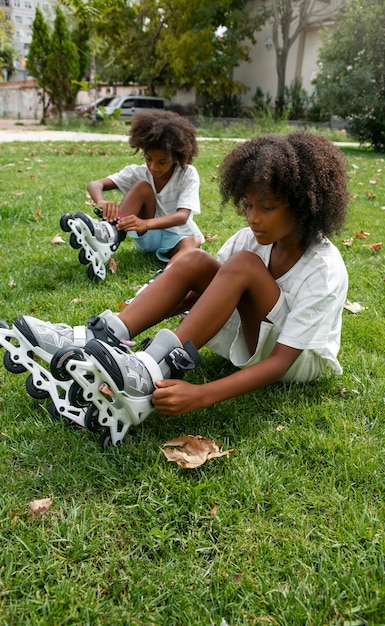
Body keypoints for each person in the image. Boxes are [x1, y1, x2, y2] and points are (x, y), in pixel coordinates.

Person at [13, 132, 349, 418]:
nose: (252, 218)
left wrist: (202, 395)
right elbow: (205, 293)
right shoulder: (249, 239)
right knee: (196, 262)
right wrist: (142, 311)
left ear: (305, 205)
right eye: (247, 205)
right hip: (257, 333)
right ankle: (98, 335)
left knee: (243, 264)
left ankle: (151, 369)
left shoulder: (324, 268)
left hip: (293, 364)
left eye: (267, 207)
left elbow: (280, 362)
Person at [61, 109, 205, 280]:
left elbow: (182, 216)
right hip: (147, 236)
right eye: (149, 158)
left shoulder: (187, 174)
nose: (153, 167)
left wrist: (146, 223)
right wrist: (101, 201)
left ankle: (165, 276)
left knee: (193, 243)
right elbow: (95, 184)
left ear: (176, 157)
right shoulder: (138, 173)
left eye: (162, 162)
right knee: (142, 187)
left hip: (178, 236)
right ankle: (109, 234)